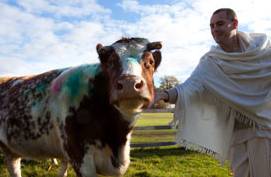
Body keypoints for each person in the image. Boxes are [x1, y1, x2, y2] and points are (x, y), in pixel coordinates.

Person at [156, 8, 271, 177]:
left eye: (220, 24)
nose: (215, 29)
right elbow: (189, 86)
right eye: (211, 26)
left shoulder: (262, 52)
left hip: (263, 128)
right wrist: (164, 95)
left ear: (235, 24)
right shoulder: (211, 61)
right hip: (235, 132)